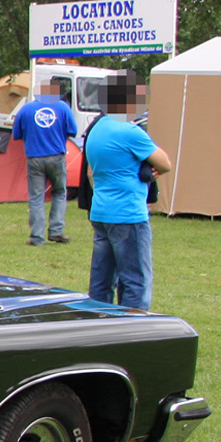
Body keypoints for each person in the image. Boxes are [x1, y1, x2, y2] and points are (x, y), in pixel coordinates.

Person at [82, 86, 171, 310]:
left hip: (101, 212)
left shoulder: (96, 128)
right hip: (128, 214)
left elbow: (90, 173)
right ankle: (132, 330)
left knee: (101, 281)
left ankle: (97, 325)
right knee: (135, 281)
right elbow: (165, 163)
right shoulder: (130, 132)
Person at [12, 80, 77, 245]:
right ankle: (56, 230)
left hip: (34, 158)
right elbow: (73, 131)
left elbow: (16, 134)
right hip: (57, 157)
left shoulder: (26, 110)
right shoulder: (62, 107)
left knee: (36, 197)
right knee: (60, 193)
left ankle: (36, 236)